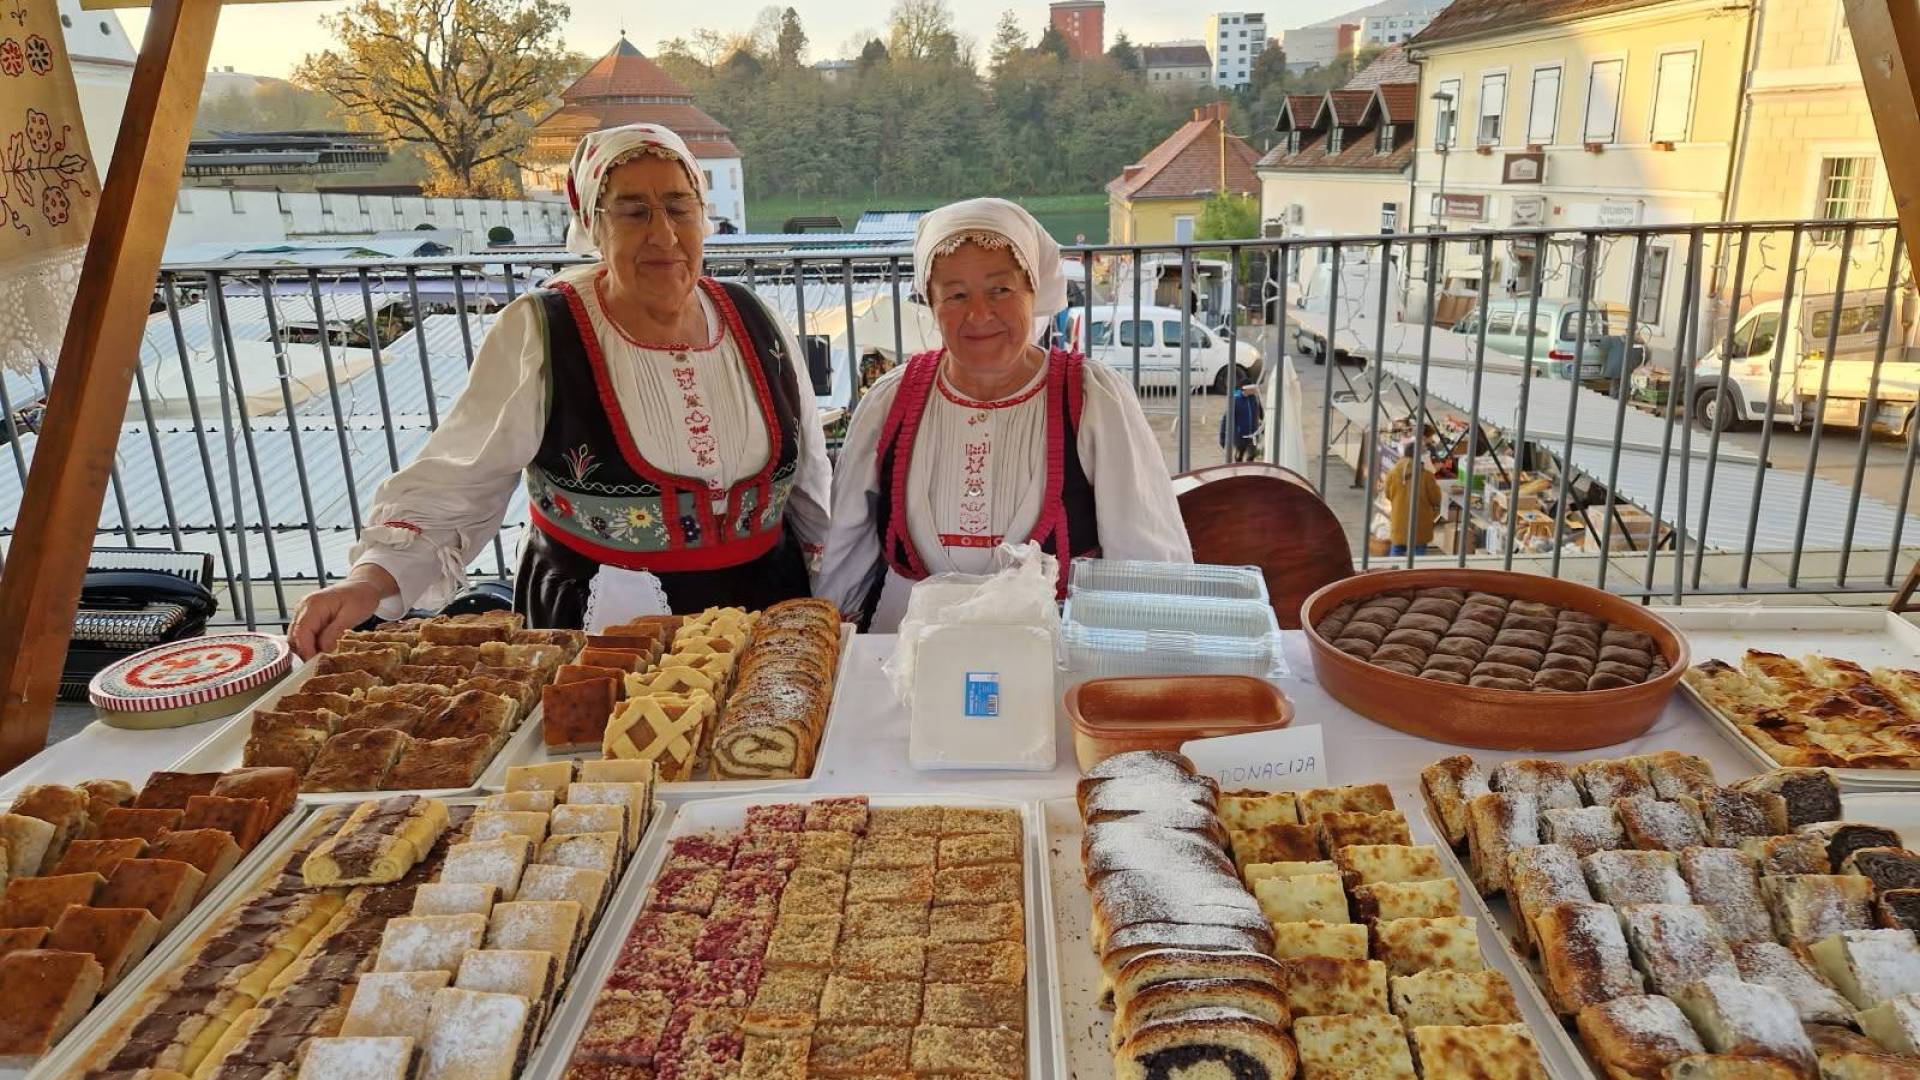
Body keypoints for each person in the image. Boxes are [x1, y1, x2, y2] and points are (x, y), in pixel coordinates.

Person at [288, 123, 830, 653]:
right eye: (633, 210)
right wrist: (369, 580)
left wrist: (836, 586)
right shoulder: (543, 330)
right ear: (594, 225)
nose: (663, 233)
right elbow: (461, 478)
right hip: (601, 630)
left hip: (765, 624)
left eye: (679, 206)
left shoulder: (755, 319)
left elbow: (809, 479)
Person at [818, 198, 1192, 632]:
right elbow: (848, 536)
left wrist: (1146, 662)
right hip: (908, 648)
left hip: (1051, 645)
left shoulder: (1092, 397)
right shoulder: (891, 400)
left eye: (1001, 289)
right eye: (955, 295)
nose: (979, 313)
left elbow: (1144, 551)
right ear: (932, 304)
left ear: (1035, 291)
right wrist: (834, 635)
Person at [1383, 426, 1443, 556]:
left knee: (1397, 550)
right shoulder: (1426, 476)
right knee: (1418, 554)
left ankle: (1393, 573)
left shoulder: (1393, 473)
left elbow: (1387, 494)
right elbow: (1436, 498)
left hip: (1399, 519)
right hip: (1420, 522)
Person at [1218, 382, 1263, 463]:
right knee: (1239, 458)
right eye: (1253, 388)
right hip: (1239, 436)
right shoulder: (1235, 401)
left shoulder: (1255, 398)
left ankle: (1249, 473)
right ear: (1245, 389)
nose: (1255, 390)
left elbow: (1261, 414)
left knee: (1251, 457)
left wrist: (1263, 428)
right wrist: (1222, 437)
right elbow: (1225, 419)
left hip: (1253, 435)